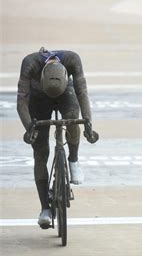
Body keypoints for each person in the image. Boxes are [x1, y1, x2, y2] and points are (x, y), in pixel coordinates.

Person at [17, 47, 99, 228]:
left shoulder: (72, 59)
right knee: (40, 152)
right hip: (38, 97)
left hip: (65, 92)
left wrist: (88, 124)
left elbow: (82, 94)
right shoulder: (29, 63)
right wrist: (30, 128)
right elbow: (21, 101)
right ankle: (44, 208)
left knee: (72, 117)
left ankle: (73, 159)